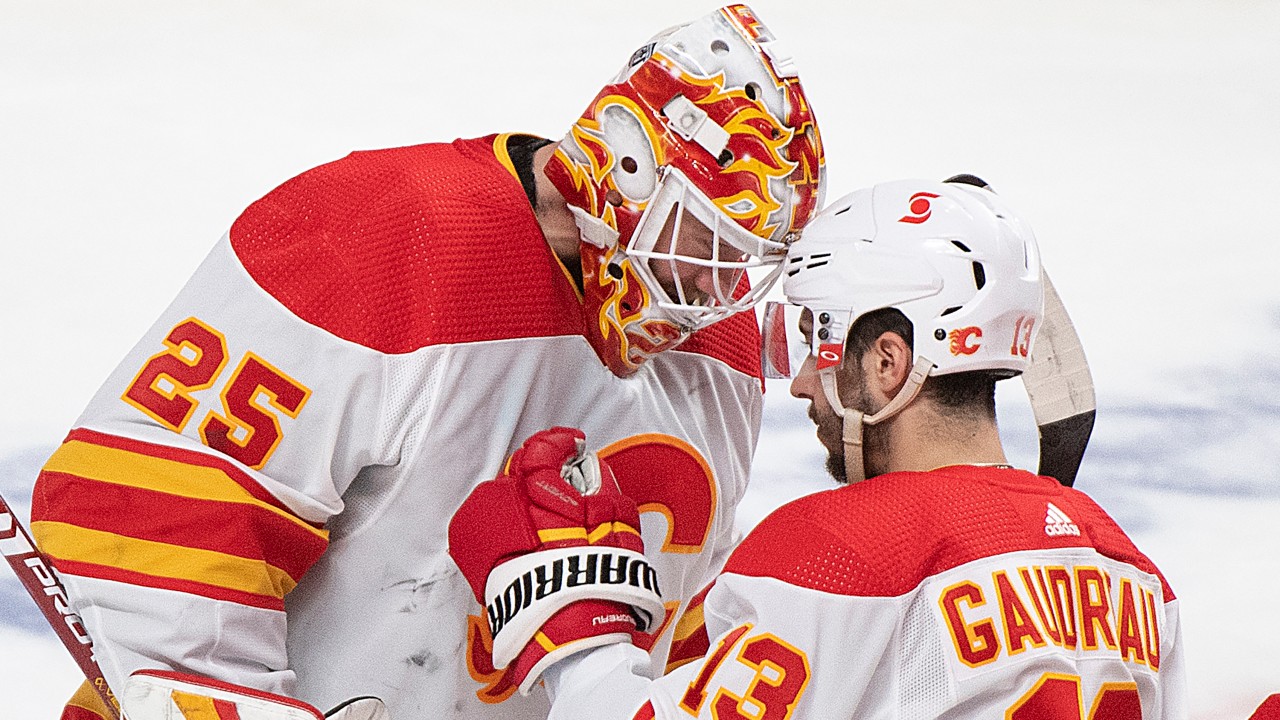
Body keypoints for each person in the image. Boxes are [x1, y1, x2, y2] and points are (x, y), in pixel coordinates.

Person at [29, 5, 825, 720]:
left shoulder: (720, 348)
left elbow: (678, 632)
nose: (716, 288)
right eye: (708, 239)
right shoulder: (382, 230)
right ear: (630, 165)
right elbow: (148, 509)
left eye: (744, 259)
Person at [447, 177, 1187, 718]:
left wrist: (574, 631)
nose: (802, 380)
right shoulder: (1130, 569)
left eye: (818, 339)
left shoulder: (839, 554)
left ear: (889, 362)